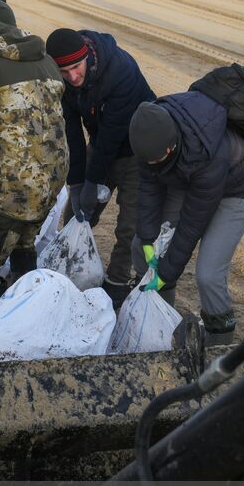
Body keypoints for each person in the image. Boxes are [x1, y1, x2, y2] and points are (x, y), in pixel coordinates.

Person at [0, 0, 68, 310]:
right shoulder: (45, 57)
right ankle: (28, 306)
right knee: (24, 237)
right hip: (54, 176)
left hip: (14, 179)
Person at [129, 92, 244, 347]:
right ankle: (161, 321)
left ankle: (218, 343)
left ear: (171, 145)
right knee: (142, 244)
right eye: (150, 161)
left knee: (208, 274)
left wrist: (166, 272)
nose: (153, 165)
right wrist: (147, 239)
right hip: (184, 175)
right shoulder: (147, 139)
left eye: (159, 160)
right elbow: (148, 188)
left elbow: (192, 225)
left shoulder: (204, 152)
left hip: (235, 188)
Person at [46, 26, 156, 310]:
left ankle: (117, 283)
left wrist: (94, 180)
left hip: (137, 149)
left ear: (87, 58)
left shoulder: (120, 70)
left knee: (129, 223)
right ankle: (63, 271)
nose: (72, 77)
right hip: (101, 142)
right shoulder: (63, 81)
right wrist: (78, 182)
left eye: (76, 68)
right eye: (64, 72)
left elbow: (113, 133)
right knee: (77, 211)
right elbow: (71, 130)